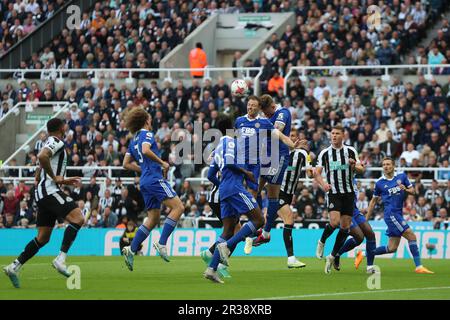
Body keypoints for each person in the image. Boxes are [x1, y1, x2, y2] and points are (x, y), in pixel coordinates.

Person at [3, 118, 83, 288]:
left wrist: (40, 172)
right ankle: (61, 259)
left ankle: (14, 266)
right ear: (61, 128)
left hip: (43, 192)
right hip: (50, 190)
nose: (66, 127)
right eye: (65, 125)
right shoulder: (56, 141)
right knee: (78, 218)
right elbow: (42, 156)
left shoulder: (48, 141)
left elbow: (42, 160)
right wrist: (56, 178)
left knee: (43, 238)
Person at [121, 107, 185, 271]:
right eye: (149, 118)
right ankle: (162, 243)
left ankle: (131, 248)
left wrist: (144, 170)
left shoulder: (133, 140)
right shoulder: (147, 134)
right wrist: (161, 163)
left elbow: (126, 164)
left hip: (144, 181)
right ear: (146, 120)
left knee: (153, 218)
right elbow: (146, 150)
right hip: (155, 179)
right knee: (178, 207)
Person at [204, 116, 264, 284]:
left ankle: (211, 269)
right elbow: (230, 163)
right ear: (231, 129)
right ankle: (227, 246)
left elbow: (210, 175)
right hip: (234, 187)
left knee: (228, 230)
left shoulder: (217, 148)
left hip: (224, 190)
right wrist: (247, 173)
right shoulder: (230, 142)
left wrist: (223, 185)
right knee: (259, 219)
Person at [248, 130, 313, 268]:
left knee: (266, 221)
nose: (292, 139)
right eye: (289, 136)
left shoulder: (302, 154)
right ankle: (291, 259)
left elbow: (310, 174)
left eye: (295, 136)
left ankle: (254, 236)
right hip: (278, 192)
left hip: (289, 194)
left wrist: (310, 161)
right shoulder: (276, 154)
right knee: (289, 218)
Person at [250, 94, 306, 247]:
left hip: (278, 156)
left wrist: (260, 125)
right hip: (264, 156)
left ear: (272, 107)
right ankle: (258, 223)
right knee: (254, 190)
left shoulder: (283, 112)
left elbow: (277, 130)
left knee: (272, 194)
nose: (265, 115)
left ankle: (266, 232)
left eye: (267, 112)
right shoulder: (266, 116)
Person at [366, 157, 434, 274]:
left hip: (398, 213)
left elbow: (413, 191)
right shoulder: (380, 183)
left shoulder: (401, 176)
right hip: (390, 214)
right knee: (411, 236)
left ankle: (363, 254)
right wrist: (366, 219)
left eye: (388, 164)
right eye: (384, 165)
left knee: (392, 248)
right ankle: (419, 267)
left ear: (393, 166)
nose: (385, 166)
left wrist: (405, 189)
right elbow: (373, 201)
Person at [314, 125, 365, 274]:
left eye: (337, 133)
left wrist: (354, 165)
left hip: (349, 193)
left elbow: (361, 169)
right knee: (334, 222)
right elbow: (317, 173)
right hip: (334, 192)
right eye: (333, 133)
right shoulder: (324, 153)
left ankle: (332, 255)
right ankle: (322, 241)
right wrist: (323, 184)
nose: (334, 136)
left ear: (343, 135)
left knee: (344, 228)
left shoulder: (350, 151)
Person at [318, 178, 377, 273]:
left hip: (354, 210)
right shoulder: (339, 177)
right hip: (343, 211)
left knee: (369, 234)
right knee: (358, 235)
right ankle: (333, 252)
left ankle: (369, 266)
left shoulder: (355, 179)